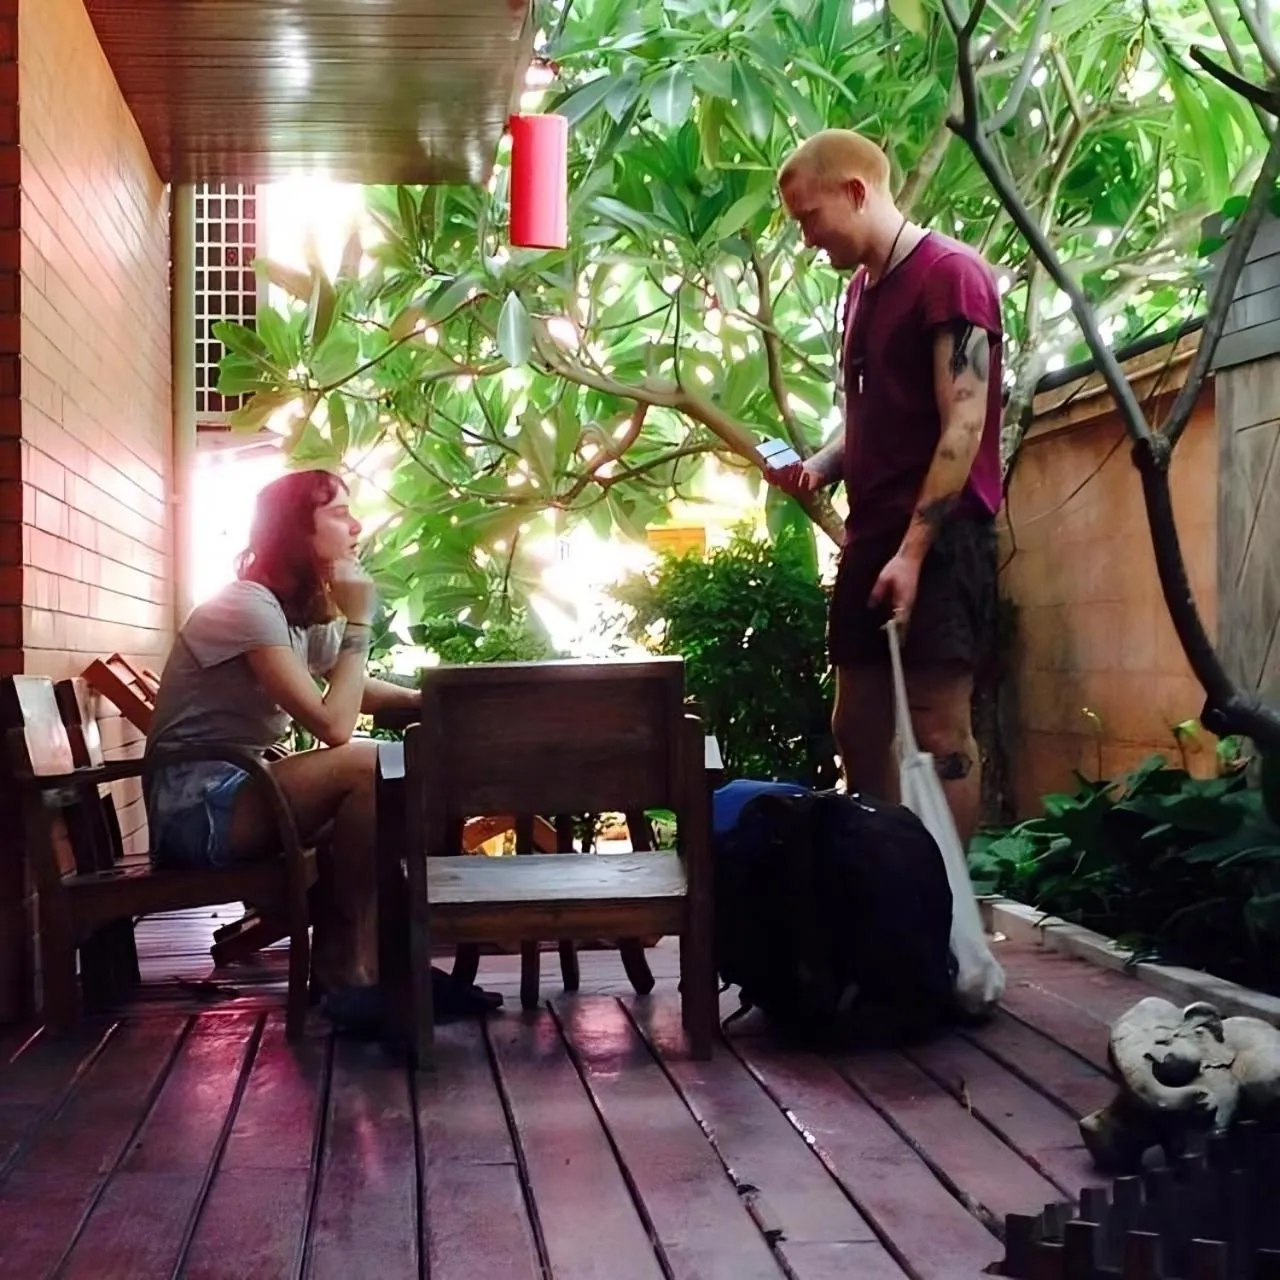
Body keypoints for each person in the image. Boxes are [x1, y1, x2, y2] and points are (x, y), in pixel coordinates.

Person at [144, 468, 501, 1033]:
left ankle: (375, 967)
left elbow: (351, 686)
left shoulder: (296, 612)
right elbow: (336, 726)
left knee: (389, 779)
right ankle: (352, 971)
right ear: (296, 531)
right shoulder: (247, 606)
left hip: (243, 791)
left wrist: (429, 698)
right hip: (198, 811)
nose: (357, 526)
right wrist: (359, 618)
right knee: (370, 763)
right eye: (339, 514)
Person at [767, 129, 1003, 847]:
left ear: (856, 192)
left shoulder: (952, 276)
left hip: (941, 538)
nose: (806, 238)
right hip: (872, 538)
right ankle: (879, 898)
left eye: (809, 217)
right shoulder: (860, 295)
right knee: (856, 725)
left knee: (938, 729)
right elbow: (870, 420)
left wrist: (914, 552)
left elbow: (962, 423)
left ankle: (938, 917)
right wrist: (820, 464)